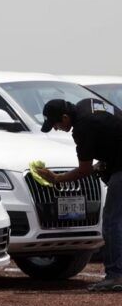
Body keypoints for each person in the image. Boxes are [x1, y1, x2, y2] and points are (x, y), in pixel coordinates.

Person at [37, 98, 122, 291]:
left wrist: (56, 179)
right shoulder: (87, 104)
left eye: (57, 124)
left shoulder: (82, 127)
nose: (57, 128)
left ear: (66, 117)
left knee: (111, 221)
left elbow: (83, 170)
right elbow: (113, 128)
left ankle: (116, 275)